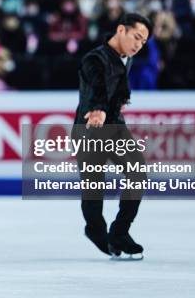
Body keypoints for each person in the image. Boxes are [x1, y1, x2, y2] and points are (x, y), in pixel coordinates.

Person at [71, 13, 152, 260]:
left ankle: (119, 232)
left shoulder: (125, 58)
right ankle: (95, 230)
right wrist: (99, 110)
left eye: (143, 42)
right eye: (136, 37)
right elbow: (96, 85)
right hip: (90, 128)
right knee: (94, 189)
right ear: (120, 30)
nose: (139, 44)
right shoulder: (94, 58)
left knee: (137, 172)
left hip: (115, 127)